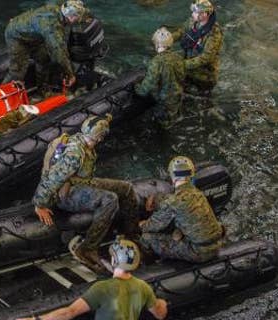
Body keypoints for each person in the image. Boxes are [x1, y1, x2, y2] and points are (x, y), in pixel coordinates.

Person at [32, 114, 140, 272]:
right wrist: (39, 204)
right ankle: (88, 248)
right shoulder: (74, 154)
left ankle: (132, 234)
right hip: (65, 195)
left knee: (126, 188)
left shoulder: (82, 140)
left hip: (81, 182)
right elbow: (52, 179)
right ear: (100, 137)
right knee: (110, 199)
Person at [17, 238, 168, 320]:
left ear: (114, 260)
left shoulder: (103, 288)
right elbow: (160, 314)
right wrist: (161, 302)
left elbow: (68, 313)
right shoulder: (143, 287)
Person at [135, 0, 223, 128]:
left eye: (196, 12)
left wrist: (180, 64)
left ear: (205, 14)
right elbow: (182, 32)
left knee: (202, 103)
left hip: (204, 75)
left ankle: (204, 123)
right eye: (193, 11)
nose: (193, 14)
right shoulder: (193, 21)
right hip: (187, 68)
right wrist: (167, 40)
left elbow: (205, 58)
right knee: (180, 95)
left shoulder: (214, 33)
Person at [140, 156, 225, 263]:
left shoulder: (173, 203)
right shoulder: (198, 193)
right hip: (216, 246)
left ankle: (150, 263)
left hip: (198, 252)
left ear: (172, 176)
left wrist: (142, 224)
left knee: (146, 238)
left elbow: (151, 227)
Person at [4, 0, 88, 89]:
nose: (78, 19)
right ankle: (0, 94)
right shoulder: (52, 26)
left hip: (34, 35)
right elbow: (58, 53)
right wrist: (70, 74)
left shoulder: (59, 8)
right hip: (17, 37)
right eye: (77, 17)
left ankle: (42, 88)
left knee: (44, 58)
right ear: (71, 17)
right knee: (17, 72)